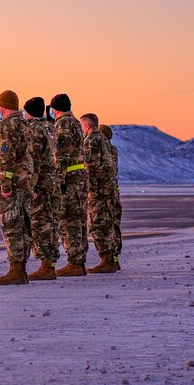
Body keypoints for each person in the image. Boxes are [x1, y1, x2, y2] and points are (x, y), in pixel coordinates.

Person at [0, 90, 35, 286]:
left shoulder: (8, 127)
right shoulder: (25, 125)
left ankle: (16, 269)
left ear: (3, 106)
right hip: (24, 183)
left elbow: (6, 158)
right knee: (23, 225)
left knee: (11, 226)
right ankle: (21, 268)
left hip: (13, 185)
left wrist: (5, 184)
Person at [50, 94, 89, 276]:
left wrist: (58, 182)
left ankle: (75, 262)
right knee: (79, 220)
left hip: (70, 181)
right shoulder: (74, 122)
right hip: (79, 179)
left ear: (56, 109)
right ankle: (79, 261)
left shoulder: (63, 124)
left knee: (69, 221)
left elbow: (61, 155)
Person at [22, 96, 61, 281]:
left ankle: (46, 265)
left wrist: (31, 185)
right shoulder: (50, 127)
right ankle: (50, 264)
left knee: (40, 223)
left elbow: (34, 160)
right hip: (53, 181)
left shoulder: (35, 129)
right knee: (52, 222)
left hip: (41, 183)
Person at [81, 112, 119, 273]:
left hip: (97, 190)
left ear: (87, 126)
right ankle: (111, 258)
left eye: (82, 125)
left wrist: (88, 187)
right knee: (108, 223)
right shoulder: (104, 141)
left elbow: (91, 167)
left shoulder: (91, 141)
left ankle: (107, 259)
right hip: (107, 189)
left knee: (97, 224)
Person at [100, 125, 123, 268]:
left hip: (106, 191)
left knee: (105, 224)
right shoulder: (113, 149)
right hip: (114, 191)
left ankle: (109, 259)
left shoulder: (105, 149)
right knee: (114, 224)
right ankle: (114, 258)